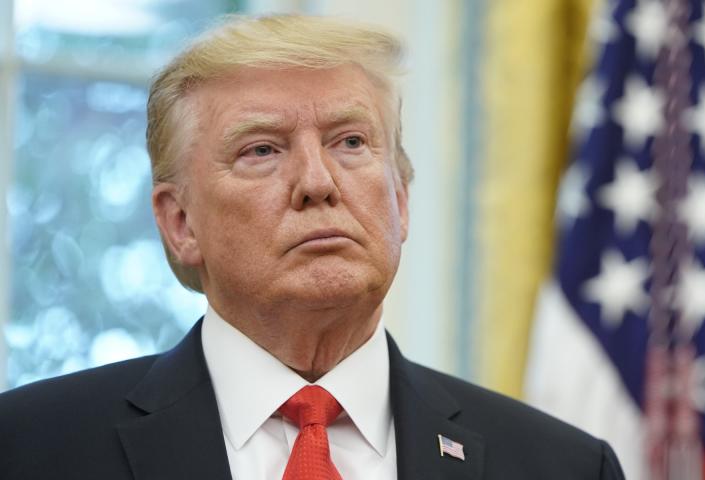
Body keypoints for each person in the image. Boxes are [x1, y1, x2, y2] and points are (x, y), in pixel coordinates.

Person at [0, 14, 624, 480]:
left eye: (350, 142)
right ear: (180, 222)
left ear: (400, 199)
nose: (318, 183)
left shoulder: (562, 466)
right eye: (262, 150)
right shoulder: (28, 448)